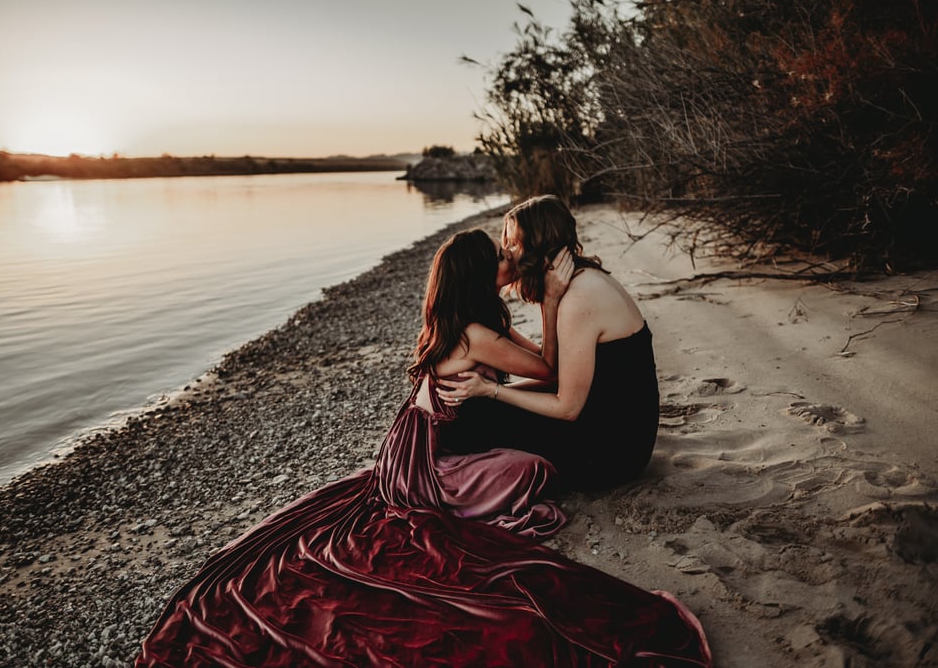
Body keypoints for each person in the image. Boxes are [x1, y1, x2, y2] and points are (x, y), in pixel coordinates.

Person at [135, 230, 711, 667]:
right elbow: (549, 368)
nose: (510, 264)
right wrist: (555, 298)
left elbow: (528, 371)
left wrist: (506, 332)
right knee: (530, 469)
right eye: (500, 262)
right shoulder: (479, 332)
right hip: (435, 460)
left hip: (411, 441)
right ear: (480, 276)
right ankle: (464, 491)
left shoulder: (458, 318)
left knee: (522, 454)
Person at [438, 195, 660, 492]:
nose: (508, 252)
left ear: (537, 244)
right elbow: (556, 374)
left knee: (472, 422)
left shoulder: (579, 299)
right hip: (619, 431)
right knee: (477, 413)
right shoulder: (582, 282)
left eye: (514, 243)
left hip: (612, 454)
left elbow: (567, 407)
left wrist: (493, 391)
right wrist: (549, 299)